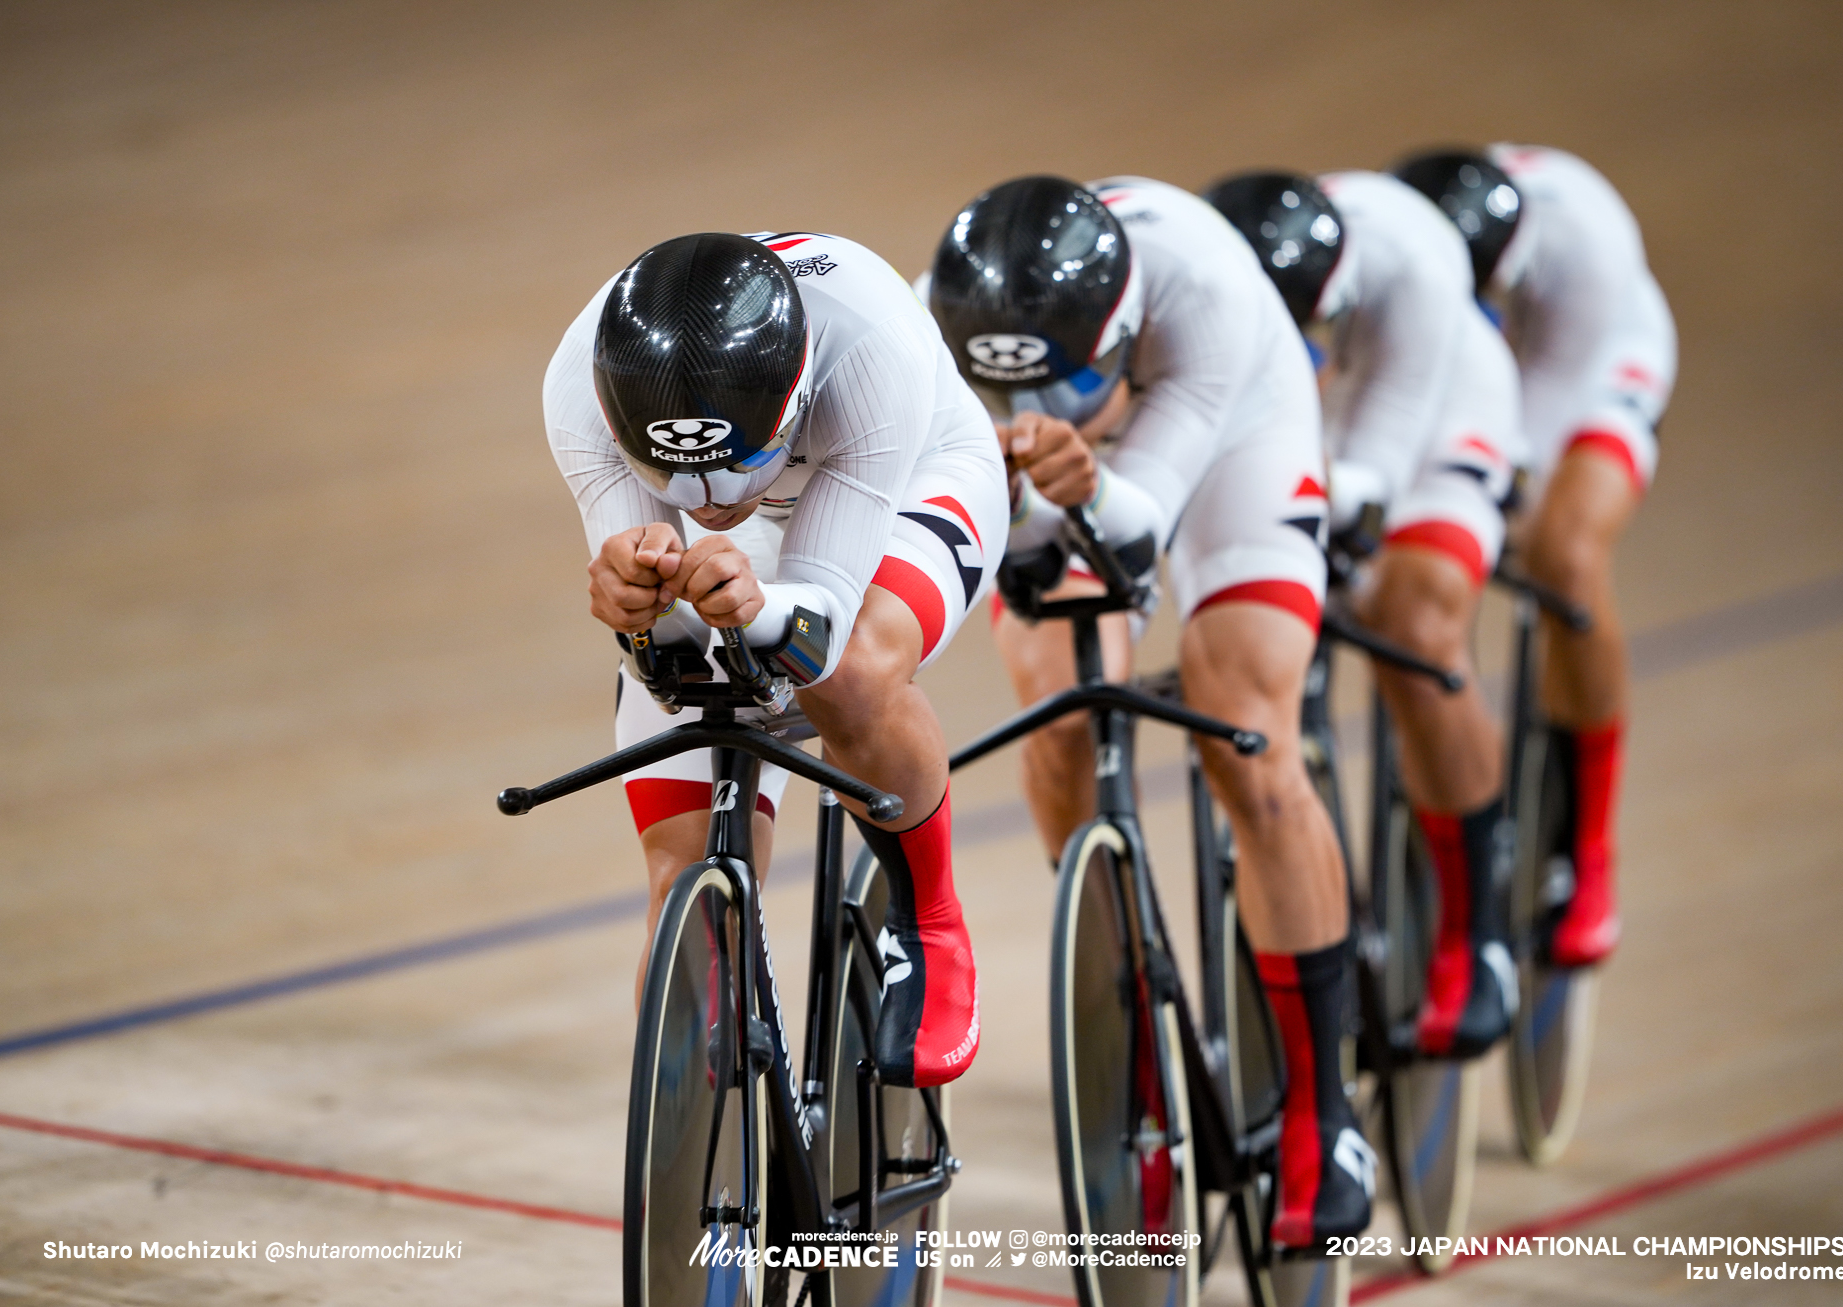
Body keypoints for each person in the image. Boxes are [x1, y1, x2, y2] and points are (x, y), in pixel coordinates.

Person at [924, 175, 1373, 1249]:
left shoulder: (1206, 288)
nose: (1058, 399)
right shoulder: (927, 321)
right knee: (1058, 710)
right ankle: (1119, 1024)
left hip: (1225, 436)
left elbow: (1132, 541)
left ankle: (1323, 1113)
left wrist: (1073, 488)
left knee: (1246, 723)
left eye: (1078, 375)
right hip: (1045, 474)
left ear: (1121, 329)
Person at [543, 230, 1008, 1088]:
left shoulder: (872, 349)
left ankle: (930, 917)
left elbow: (821, 628)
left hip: (912, 479)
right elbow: (666, 656)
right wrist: (636, 611)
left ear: (794, 399)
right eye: (673, 477)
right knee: (682, 864)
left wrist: (754, 604)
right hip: (769, 525)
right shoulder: (580, 383)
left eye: (737, 465)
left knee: (855, 672)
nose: (710, 502)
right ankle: (699, 1161)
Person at [1206, 168, 1524, 1059]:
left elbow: (1374, 474)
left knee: (1413, 622)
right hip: (1294, 407)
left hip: (1433, 408)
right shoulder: (1214, 276)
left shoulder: (1413, 261)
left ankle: (1479, 931)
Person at [1392, 146, 1675, 967]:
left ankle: (1590, 854)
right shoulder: (1409, 242)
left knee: (1562, 552)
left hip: (1596, 363)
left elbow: (1531, 450)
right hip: (1469, 353)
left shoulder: (1583, 235)